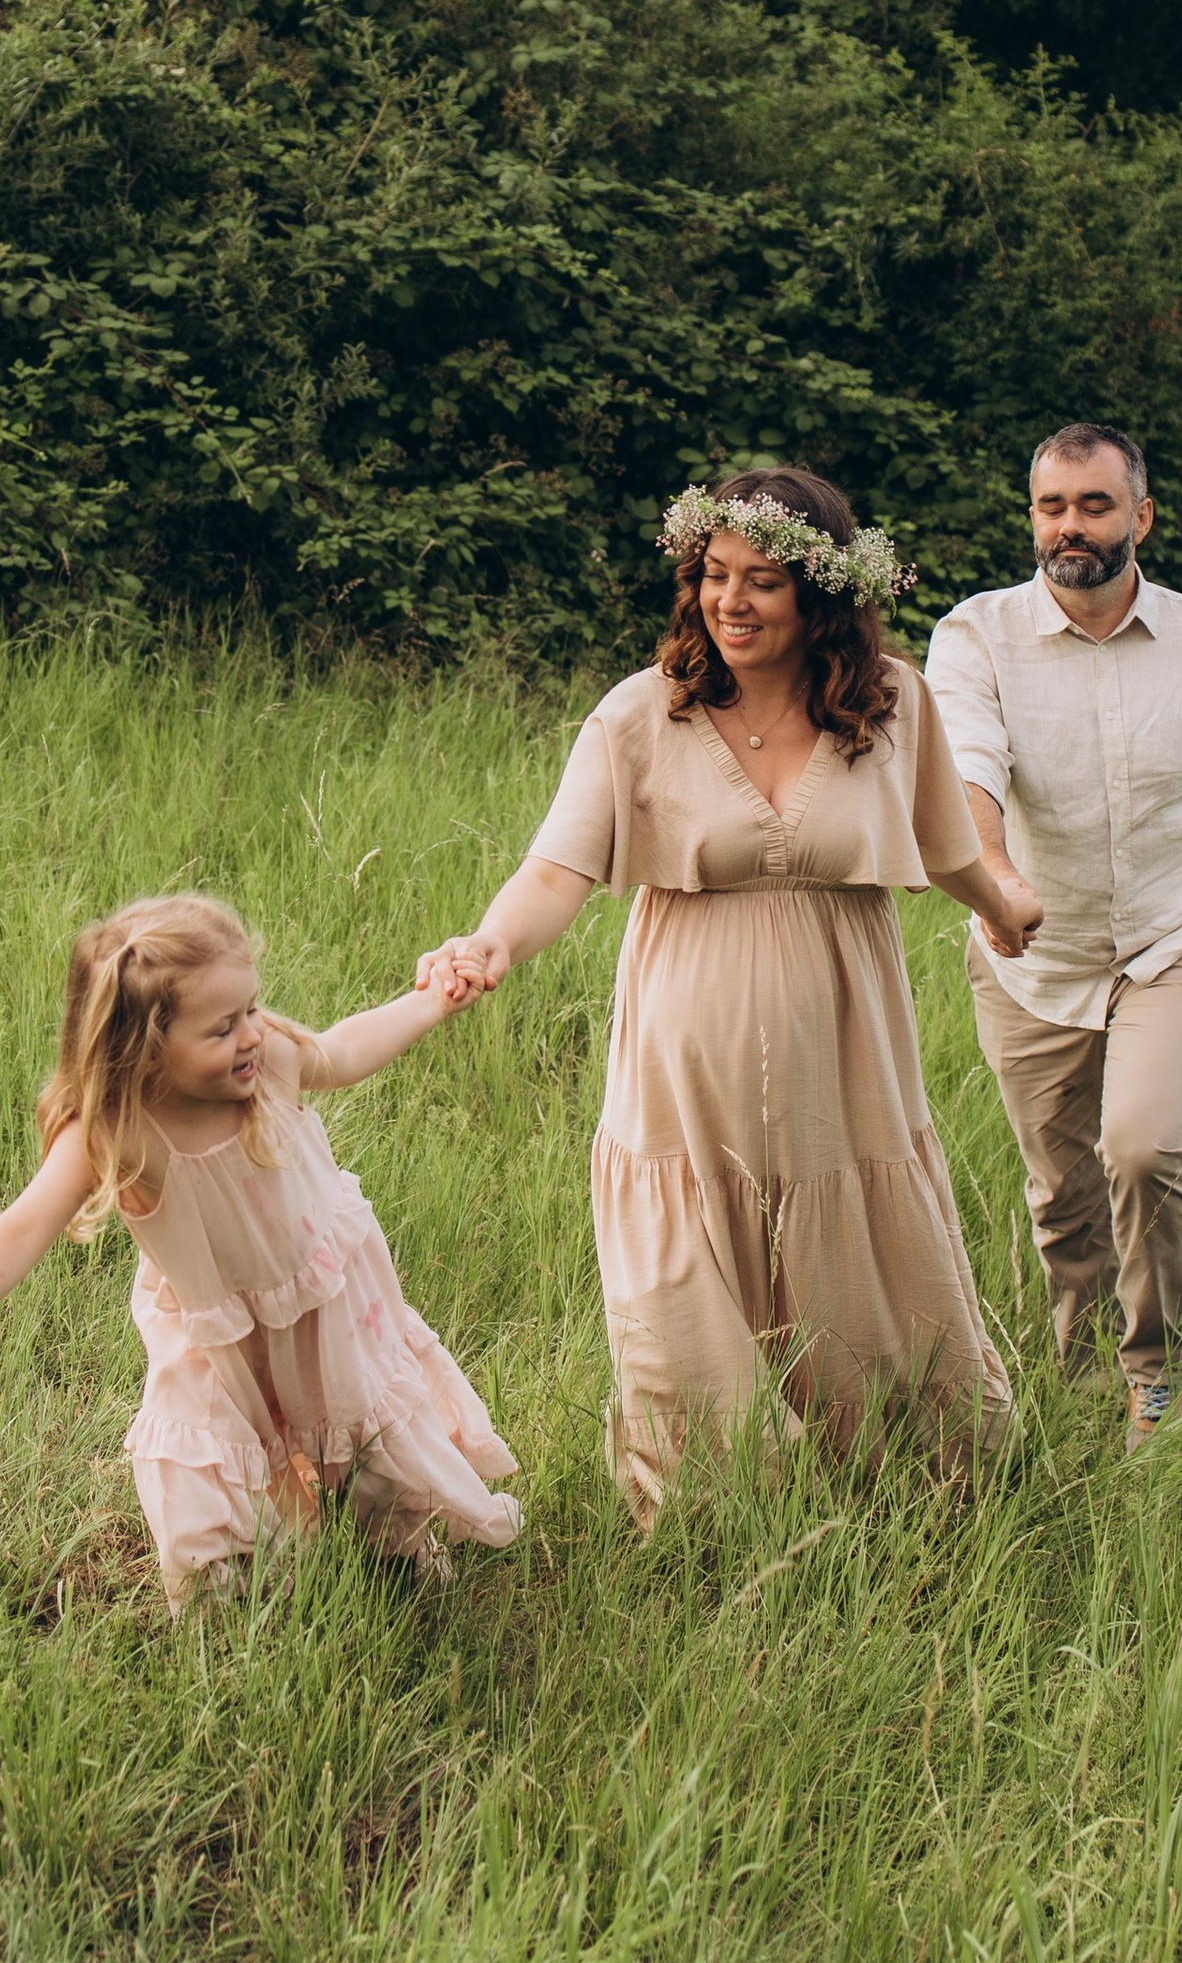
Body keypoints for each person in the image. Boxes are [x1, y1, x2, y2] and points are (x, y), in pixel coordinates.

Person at [418, 465, 1040, 1526]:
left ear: (821, 595)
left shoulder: (890, 703)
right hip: (682, 1043)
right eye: (714, 575)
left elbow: (945, 846)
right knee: (684, 1262)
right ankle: (715, 1502)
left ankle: (903, 1479)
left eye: (762, 580)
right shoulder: (641, 716)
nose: (731, 601)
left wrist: (1004, 906)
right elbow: (557, 872)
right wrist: (488, 944)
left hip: (845, 1044)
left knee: (857, 1240)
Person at [0, 892, 521, 1608]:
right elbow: (24, 1223)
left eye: (251, 1010)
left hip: (323, 1310)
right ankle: (223, 1615)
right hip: (216, 1338)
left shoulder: (269, 1065)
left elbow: (345, 1049)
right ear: (144, 1048)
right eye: (222, 1028)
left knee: (367, 1447)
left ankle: (400, 1559)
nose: (251, 1035)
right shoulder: (120, 1130)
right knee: (201, 1482)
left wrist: (433, 1003)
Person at [924, 425, 1182, 1449]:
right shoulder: (974, 636)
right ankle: (1080, 1365)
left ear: (1139, 517)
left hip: (1172, 941)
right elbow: (969, 767)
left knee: (1141, 1148)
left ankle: (1154, 1380)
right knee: (1063, 1193)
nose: (1070, 527)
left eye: (1094, 506)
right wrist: (995, 881)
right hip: (1028, 956)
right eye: (1051, 506)